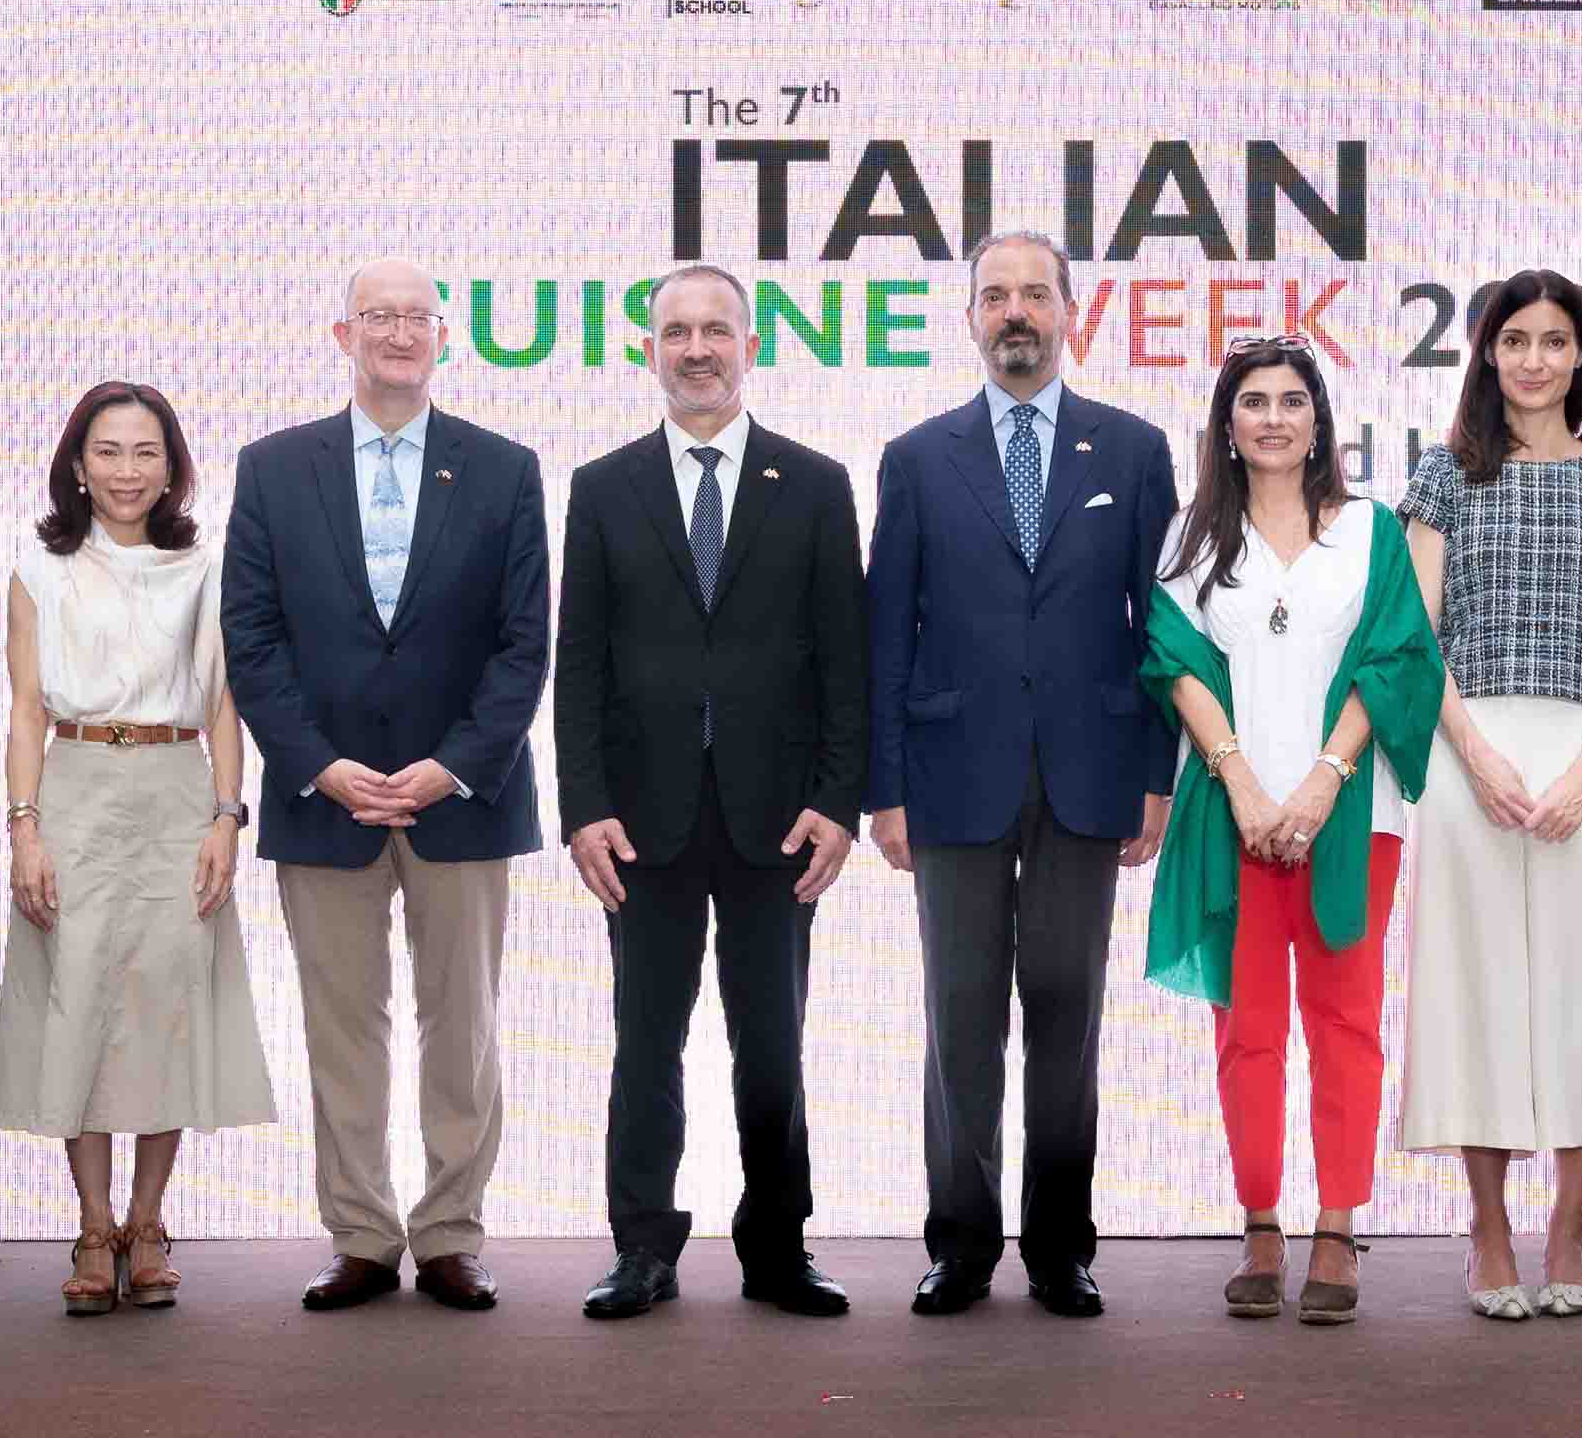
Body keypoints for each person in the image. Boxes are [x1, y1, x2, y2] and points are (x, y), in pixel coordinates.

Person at [221, 260, 550, 1313]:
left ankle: (451, 1234)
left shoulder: (505, 469)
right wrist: (318, 765)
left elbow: (525, 644)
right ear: (343, 334)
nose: (400, 333)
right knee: (341, 1030)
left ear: (444, 336)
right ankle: (360, 1235)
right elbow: (251, 639)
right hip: (326, 798)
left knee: (465, 1029)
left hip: (465, 799)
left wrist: (454, 766)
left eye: (418, 317)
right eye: (379, 316)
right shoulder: (274, 469)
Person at [864, 231, 1176, 1319]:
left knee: (1065, 1013)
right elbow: (886, 634)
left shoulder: (1132, 452)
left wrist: (1158, 773)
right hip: (949, 777)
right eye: (995, 295)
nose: (1016, 312)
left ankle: (1058, 1247)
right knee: (959, 1017)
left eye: (1035, 294)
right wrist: (884, 789)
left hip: (1090, 775)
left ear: (1069, 314)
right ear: (969, 318)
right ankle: (959, 1244)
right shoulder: (917, 458)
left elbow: (1160, 625)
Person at [554, 264, 867, 1321]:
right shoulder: (603, 487)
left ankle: (778, 1246)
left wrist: (839, 801)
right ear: (649, 350)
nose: (697, 349)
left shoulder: (814, 483)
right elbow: (578, 663)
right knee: (646, 1041)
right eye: (677, 332)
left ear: (750, 347)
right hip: (639, 823)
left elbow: (845, 659)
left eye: (716, 330)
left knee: (771, 1044)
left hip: (779, 819)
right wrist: (582, 806)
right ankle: (642, 1247)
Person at [1143, 336, 1441, 1325]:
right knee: (1247, 1028)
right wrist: (1242, 786)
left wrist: (1321, 783)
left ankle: (1339, 1226)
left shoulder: (1370, 531)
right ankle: (1262, 1223)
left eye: (1291, 401)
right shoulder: (1190, 539)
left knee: (1347, 1021)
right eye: (1253, 402)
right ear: (1226, 426)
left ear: (1319, 422)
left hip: (1351, 816)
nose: (1273, 418)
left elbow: (1396, 660)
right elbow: (1176, 662)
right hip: (1230, 815)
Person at [1395, 271, 1582, 1320]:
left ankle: (1569, 1225)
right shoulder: (1443, 475)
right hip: (1467, 756)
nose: (1534, 360)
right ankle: (1489, 1229)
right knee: (1479, 993)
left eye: (1555, 341)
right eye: (1515, 341)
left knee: (1579, 990)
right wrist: (1473, 755)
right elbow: (1416, 636)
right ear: (1487, 354)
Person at [0, 381, 277, 1315]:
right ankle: (92, 1224)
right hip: (73, 789)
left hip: (175, 792)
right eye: (108, 451)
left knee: (163, 1005)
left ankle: (149, 1225)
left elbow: (225, 704)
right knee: (79, 997)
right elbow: (25, 711)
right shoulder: (39, 569)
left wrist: (227, 817)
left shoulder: (206, 567)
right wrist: (24, 825)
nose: (126, 470)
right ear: (78, 465)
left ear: (172, 467)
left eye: (146, 452)